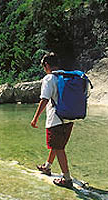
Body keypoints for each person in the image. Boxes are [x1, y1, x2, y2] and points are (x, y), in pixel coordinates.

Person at [30, 52, 74, 188]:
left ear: (47, 65)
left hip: (56, 119)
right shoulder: (66, 76)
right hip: (69, 118)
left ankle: (67, 179)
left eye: (43, 66)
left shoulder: (49, 78)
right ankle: (47, 167)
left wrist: (35, 118)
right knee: (57, 145)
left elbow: (44, 99)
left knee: (59, 147)